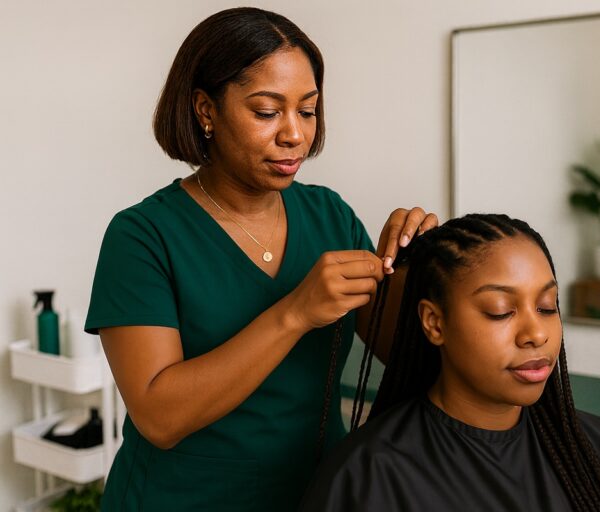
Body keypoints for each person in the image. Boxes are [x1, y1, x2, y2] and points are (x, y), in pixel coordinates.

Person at [85, 7, 436, 510]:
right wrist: (295, 313)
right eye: (267, 111)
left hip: (316, 494)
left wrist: (416, 266)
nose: (294, 133)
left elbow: (403, 354)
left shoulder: (329, 216)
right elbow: (159, 418)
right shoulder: (142, 235)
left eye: (308, 110)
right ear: (206, 110)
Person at [300, 214, 600, 512]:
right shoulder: (369, 473)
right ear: (434, 323)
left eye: (546, 306)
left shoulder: (592, 446)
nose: (535, 333)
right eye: (500, 311)